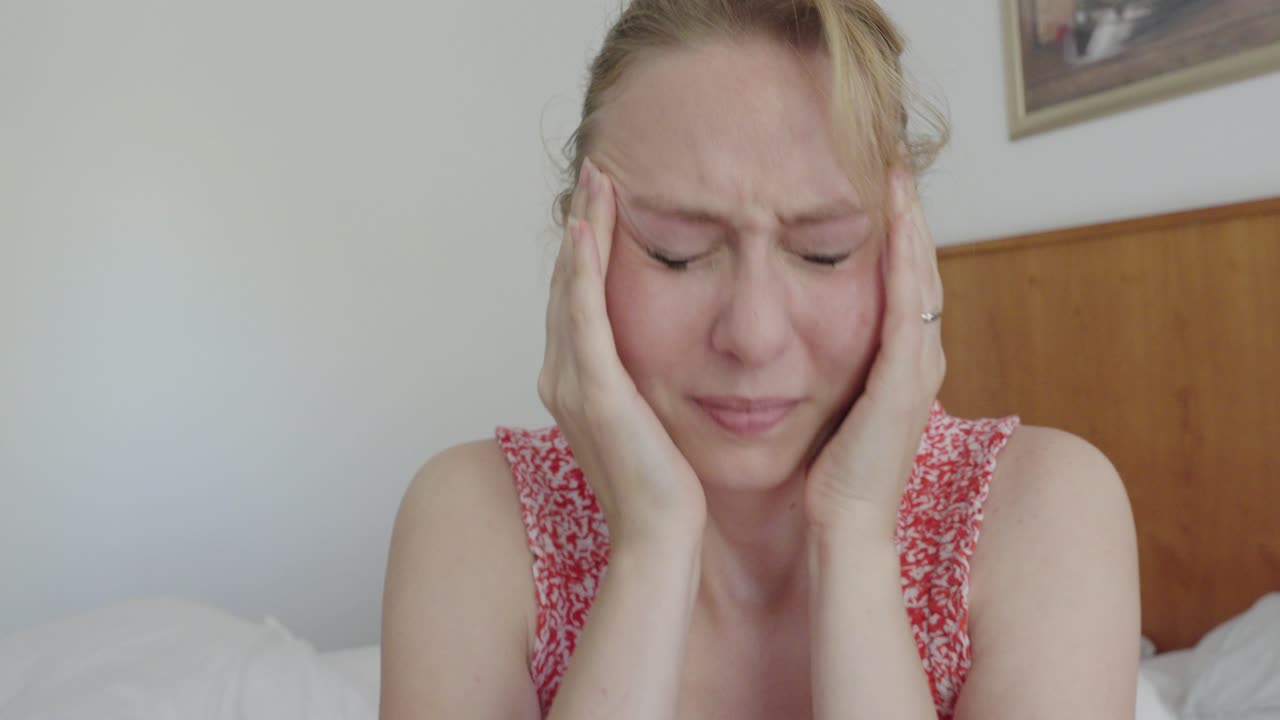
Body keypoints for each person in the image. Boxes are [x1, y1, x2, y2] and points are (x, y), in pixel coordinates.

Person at [379, 1, 1140, 718]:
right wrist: (650, 547)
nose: (753, 333)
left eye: (822, 252)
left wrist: (855, 538)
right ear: (581, 245)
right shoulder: (475, 520)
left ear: (905, 258)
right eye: (676, 254)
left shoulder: (1042, 512)